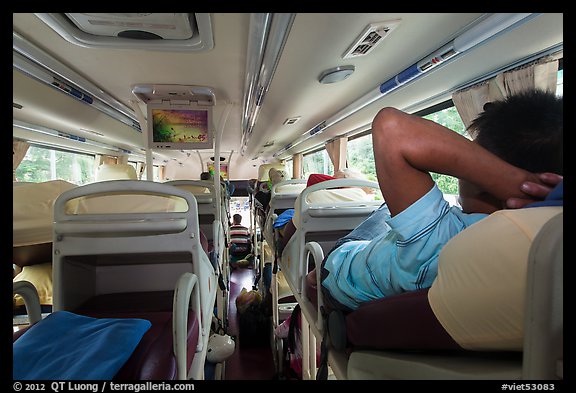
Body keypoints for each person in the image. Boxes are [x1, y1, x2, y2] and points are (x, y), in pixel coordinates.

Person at [308, 88, 563, 313]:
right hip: (393, 255)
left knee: (385, 212)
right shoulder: (532, 242)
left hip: (342, 272)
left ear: (481, 177)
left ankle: (313, 274)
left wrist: (520, 184)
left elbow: (391, 127)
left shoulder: (443, 236)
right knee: (393, 220)